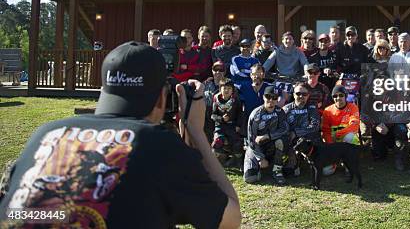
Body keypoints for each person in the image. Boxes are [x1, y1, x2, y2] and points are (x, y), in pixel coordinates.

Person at [0, 41, 240, 228]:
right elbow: (229, 220)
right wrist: (196, 131)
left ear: (104, 90)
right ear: (161, 98)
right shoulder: (157, 144)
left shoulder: (47, 132)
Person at [244, 86, 289, 185]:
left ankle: (277, 170)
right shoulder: (255, 114)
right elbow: (251, 139)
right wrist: (260, 158)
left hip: (271, 144)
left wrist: (268, 136)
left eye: (274, 97)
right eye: (268, 97)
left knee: (281, 141)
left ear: (277, 99)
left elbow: (284, 129)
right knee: (250, 178)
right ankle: (258, 166)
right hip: (256, 146)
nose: (271, 100)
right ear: (263, 97)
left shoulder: (280, 112)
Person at [283, 84, 322, 176]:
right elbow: (282, 128)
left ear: (308, 95)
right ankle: (293, 163)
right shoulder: (285, 109)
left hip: (311, 141)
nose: (301, 96)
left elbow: (315, 126)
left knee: (326, 171)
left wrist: (296, 132)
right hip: (292, 142)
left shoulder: (312, 108)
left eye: (304, 94)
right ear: (293, 95)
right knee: (291, 173)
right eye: (298, 93)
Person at [321, 86, 360, 175]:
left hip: (345, 138)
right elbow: (326, 131)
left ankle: (349, 165)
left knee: (349, 136)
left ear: (345, 96)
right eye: (335, 96)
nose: (338, 98)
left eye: (341, 95)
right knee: (326, 172)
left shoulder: (353, 107)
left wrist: (339, 133)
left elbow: (354, 126)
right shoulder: (327, 110)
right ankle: (336, 161)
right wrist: (331, 147)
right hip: (332, 141)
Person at [211, 78, 244, 168]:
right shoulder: (215, 99)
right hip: (220, 126)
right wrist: (221, 119)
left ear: (232, 90)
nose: (226, 90)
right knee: (217, 142)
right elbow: (213, 115)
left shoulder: (236, 100)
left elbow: (240, 113)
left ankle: (238, 162)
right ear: (220, 88)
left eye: (229, 88)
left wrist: (238, 125)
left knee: (237, 143)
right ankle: (215, 162)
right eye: (224, 88)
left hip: (232, 125)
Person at [203, 61, 227, 141]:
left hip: (221, 118)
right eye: (215, 69)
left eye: (221, 70)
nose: (218, 72)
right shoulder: (206, 84)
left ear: (225, 71)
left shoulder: (229, 85)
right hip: (206, 117)